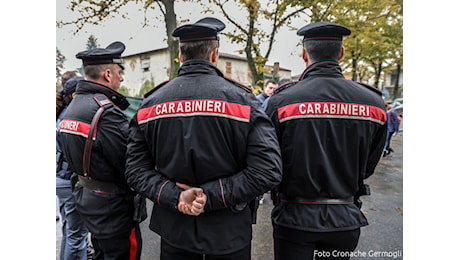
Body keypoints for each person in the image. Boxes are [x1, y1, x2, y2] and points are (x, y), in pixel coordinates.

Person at [125, 17, 282, 260]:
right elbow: (267, 170)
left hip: (175, 230)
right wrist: (210, 195)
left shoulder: (150, 105)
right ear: (214, 55)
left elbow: (135, 170)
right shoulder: (244, 101)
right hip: (228, 230)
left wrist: (175, 196)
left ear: (180, 57)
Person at [265, 22, 388, 260]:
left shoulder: (281, 103)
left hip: (294, 218)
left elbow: (270, 160)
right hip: (344, 217)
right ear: (341, 53)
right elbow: (368, 165)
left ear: (304, 54)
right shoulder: (373, 103)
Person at [59, 41, 142, 260]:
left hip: (88, 198)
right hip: (112, 205)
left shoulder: (74, 107)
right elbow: (129, 163)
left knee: (101, 253)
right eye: (119, 72)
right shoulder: (105, 112)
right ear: (107, 74)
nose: (121, 77)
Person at [56, 75, 89, 260]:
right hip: (68, 180)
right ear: (76, 95)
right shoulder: (71, 117)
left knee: (69, 231)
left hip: (61, 178)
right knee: (77, 236)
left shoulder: (62, 114)